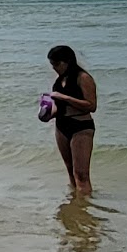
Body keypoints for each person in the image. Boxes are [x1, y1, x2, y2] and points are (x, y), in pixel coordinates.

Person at [47, 44, 98, 194]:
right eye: (52, 65)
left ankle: (86, 207)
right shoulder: (59, 80)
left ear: (67, 61)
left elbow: (91, 105)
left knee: (81, 174)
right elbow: (59, 105)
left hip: (80, 126)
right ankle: (75, 206)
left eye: (56, 64)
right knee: (70, 172)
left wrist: (65, 97)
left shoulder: (83, 78)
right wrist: (48, 113)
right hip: (62, 125)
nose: (54, 68)